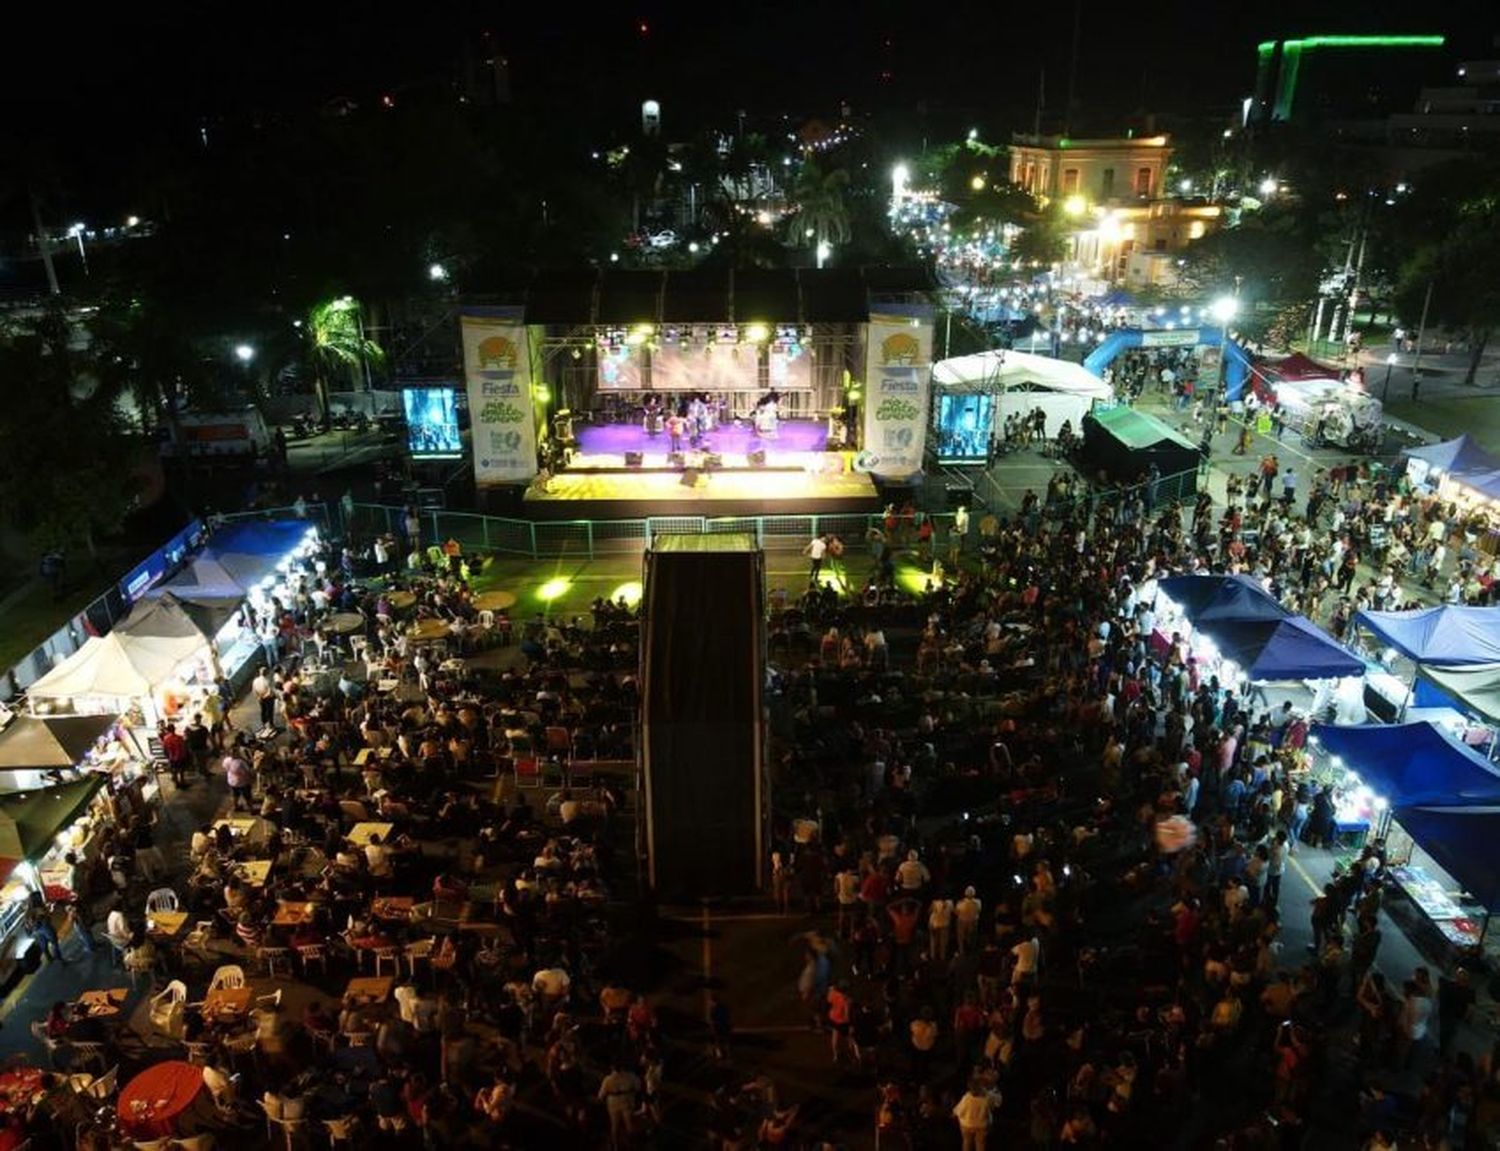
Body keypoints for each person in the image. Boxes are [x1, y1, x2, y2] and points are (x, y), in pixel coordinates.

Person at [953, 1076, 1000, 1150]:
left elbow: (959, 1111)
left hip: (967, 1125)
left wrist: (954, 1113)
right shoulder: (987, 1099)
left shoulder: (966, 1098)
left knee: (967, 1142)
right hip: (981, 1125)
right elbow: (996, 1104)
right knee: (980, 1144)